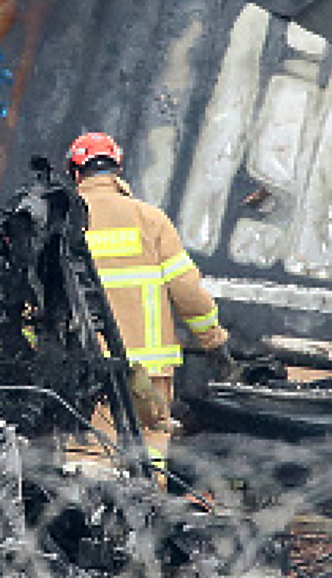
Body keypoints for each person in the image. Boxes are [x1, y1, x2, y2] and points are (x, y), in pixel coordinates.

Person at [66, 131, 229, 432]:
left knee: (84, 452)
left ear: (75, 172)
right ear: (118, 169)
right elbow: (186, 290)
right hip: (147, 368)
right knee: (148, 448)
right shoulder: (150, 219)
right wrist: (213, 341)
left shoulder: (61, 222)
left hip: (82, 364)